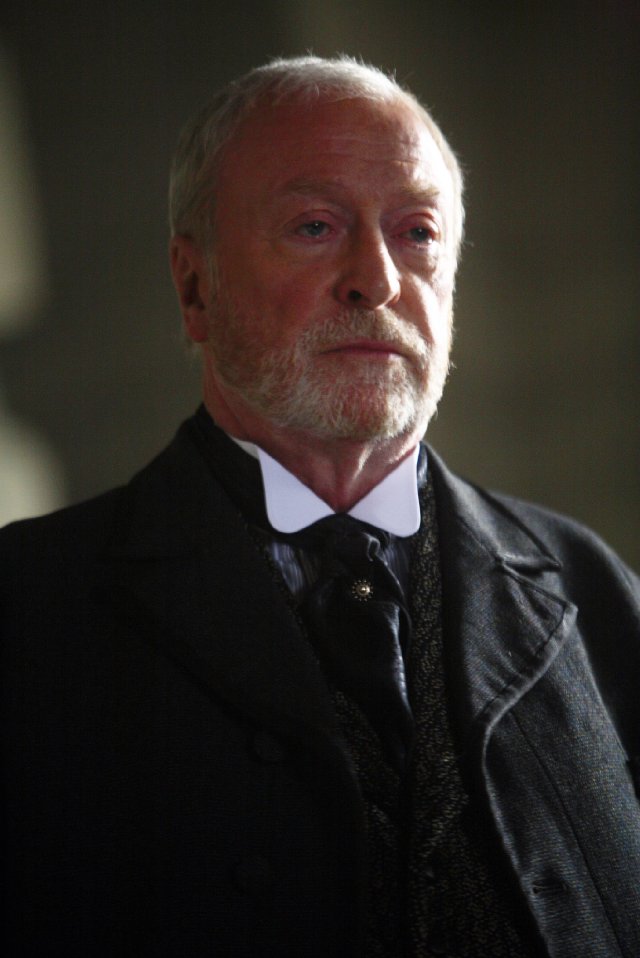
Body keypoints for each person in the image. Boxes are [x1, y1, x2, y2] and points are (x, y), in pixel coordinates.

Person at [1, 55, 639, 958]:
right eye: (314, 226)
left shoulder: (592, 591)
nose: (376, 278)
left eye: (417, 233)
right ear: (194, 285)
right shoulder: (27, 610)